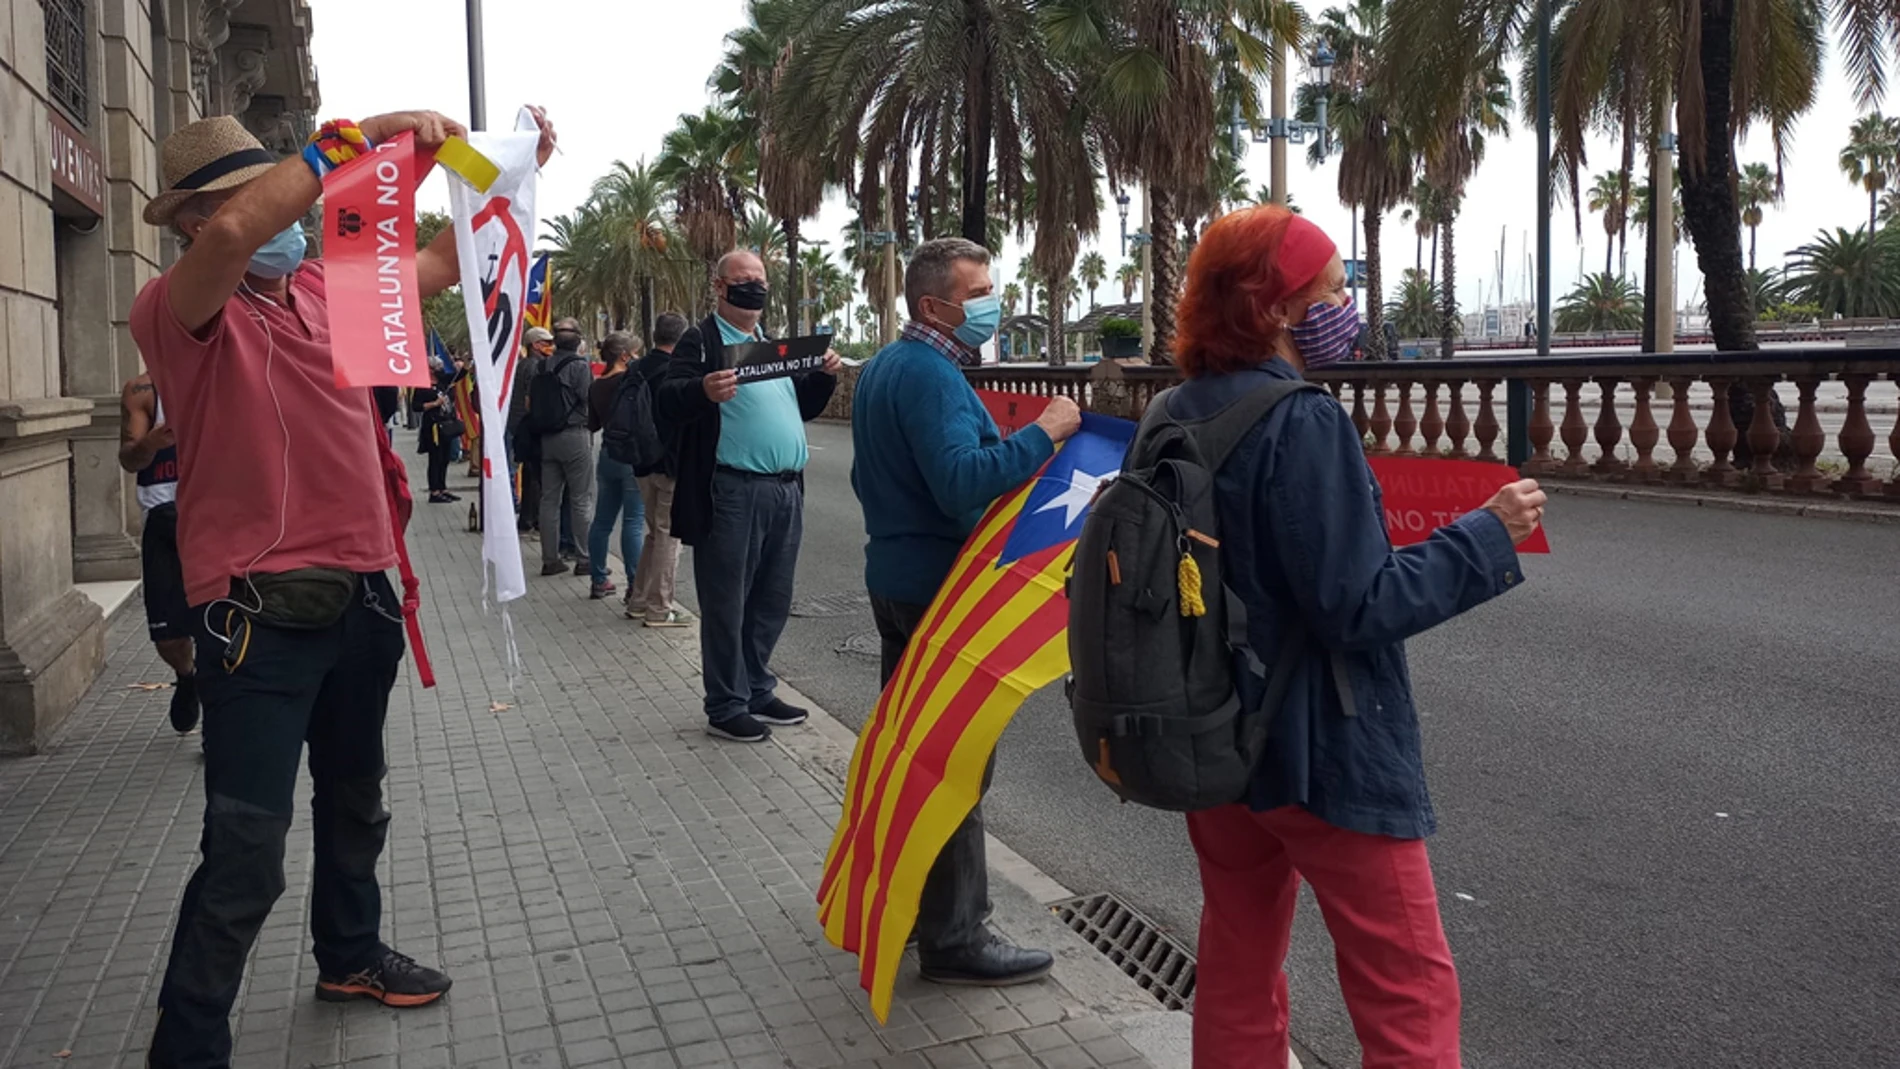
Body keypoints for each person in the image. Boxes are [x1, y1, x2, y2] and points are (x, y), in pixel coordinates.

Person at [129, 108, 558, 1067]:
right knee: (246, 846)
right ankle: (189, 1041)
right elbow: (246, 232)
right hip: (259, 620)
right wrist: (346, 147)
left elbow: (444, 265)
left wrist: (508, 174)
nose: (280, 216)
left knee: (357, 799)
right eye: (245, 195)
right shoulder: (178, 308)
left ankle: (350, 954)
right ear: (193, 221)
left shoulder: (329, 288)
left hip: (364, 595)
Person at [1165, 206, 1545, 1068]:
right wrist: (1485, 536)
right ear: (1276, 306)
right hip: (1321, 748)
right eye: (1333, 289)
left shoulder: (1171, 414)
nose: (1349, 305)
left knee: (1237, 961)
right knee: (1406, 984)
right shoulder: (1302, 421)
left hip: (1215, 740)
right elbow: (1356, 604)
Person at [851, 237, 1079, 986]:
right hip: (937, 588)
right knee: (955, 761)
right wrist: (1042, 434)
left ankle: (923, 908)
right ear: (934, 305)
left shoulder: (887, 366)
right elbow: (959, 481)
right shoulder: (931, 375)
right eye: (979, 290)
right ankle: (956, 935)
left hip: (896, 575)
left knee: (918, 750)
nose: (991, 301)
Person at [656, 251, 840, 742]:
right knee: (726, 599)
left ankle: (757, 687)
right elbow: (667, 398)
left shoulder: (768, 346)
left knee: (771, 598)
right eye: (744, 281)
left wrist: (823, 376)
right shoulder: (703, 340)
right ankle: (725, 703)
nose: (754, 289)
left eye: (760, 280)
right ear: (719, 286)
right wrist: (702, 390)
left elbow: (801, 405)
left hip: (785, 490)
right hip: (733, 489)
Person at [117, 372, 199, 736]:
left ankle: (218, 719)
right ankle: (187, 675)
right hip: (164, 517)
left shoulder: (223, 373)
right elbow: (130, 460)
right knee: (168, 637)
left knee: (222, 623)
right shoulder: (143, 390)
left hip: (214, 515)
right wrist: (150, 443)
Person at [627, 312, 689, 627]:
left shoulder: (636, 369)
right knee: (668, 536)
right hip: (668, 464)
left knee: (654, 534)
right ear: (681, 339)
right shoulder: (674, 372)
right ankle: (660, 608)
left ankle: (638, 600)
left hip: (640, 462)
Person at [584, 331, 645, 599]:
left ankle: (598, 578)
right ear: (624, 355)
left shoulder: (597, 385)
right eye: (634, 352)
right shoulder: (631, 380)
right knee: (633, 522)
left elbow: (592, 423)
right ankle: (634, 584)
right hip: (632, 454)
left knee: (603, 520)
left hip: (608, 453)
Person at [534, 318, 595, 577]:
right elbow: (587, 398)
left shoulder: (542, 365)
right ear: (579, 341)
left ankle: (550, 559)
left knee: (549, 500)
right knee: (581, 498)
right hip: (574, 435)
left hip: (547, 437)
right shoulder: (580, 366)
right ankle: (584, 558)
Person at [511, 326, 554, 533]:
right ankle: (532, 518)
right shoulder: (534, 366)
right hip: (529, 426)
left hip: (521, 426)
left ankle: (527, 518)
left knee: (530, 474)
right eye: (547, 343)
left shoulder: (523, 364)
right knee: (535, 475)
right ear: (536, 345)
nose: (551, 347)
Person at [411, 353, 463, 504]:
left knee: (445, 458)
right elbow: (416, 407)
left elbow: (458, 376)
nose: (441, 369)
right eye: (437, 367)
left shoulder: (442, 381)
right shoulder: (422, 386)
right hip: (433, 426)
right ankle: (434, 491)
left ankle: (443, 487)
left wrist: (464, 364)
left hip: (446, 424)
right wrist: (434, 404)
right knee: (436, 459)